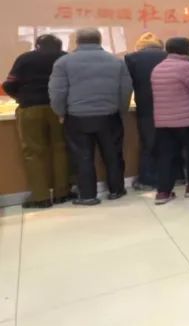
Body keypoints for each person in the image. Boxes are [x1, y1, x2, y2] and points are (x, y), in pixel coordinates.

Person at [48, 28, 132, 205]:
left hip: (77, 117)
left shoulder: (63, 62)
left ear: (77, 41)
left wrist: (60, 112)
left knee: (82, 157)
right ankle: (117, 190)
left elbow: (57, 92)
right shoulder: (116, 61)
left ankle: (87, 195)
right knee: (113, 154)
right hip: (109, 116)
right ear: (100, 40)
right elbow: (125, 89)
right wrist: (121, 110)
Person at [4, 34, 70, 208]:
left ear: (37, 45)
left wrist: (21, 97)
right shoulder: (65, 58)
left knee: (33, 152)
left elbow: (9, 84)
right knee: (61, 149)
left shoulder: (25, 58)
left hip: (30, 107)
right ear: (60, 45)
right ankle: (62, 193)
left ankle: (41, 197)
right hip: (58, 108)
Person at [150, 37, 189, 204]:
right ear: (186, 50)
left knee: (166, 156)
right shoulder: (187, 67)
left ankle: (163, 192)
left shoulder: (158, 68)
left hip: (163, 121)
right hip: (188, 120)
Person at [125, 32, 168, 191]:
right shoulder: (168, 56)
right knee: (170, 142)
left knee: (148, 142)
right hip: (169, 104)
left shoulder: (131, 58)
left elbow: (128, 84)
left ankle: (148, 179)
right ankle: (175, 176)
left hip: (145, 105)